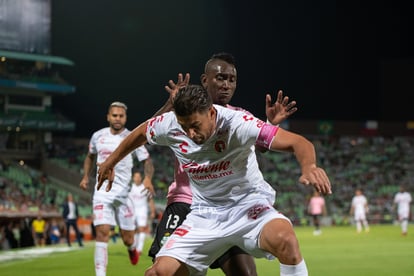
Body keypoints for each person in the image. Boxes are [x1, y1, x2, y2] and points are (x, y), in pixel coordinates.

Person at [97, 84, 332, 276]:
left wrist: (309, 166)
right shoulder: (169, 124)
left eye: (195, 126)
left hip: (247, 207)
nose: (190, 133)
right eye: (184, 126)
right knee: (157, 273)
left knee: (286, 239)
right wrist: (110, 162)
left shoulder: (237, 123)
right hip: (203, 214)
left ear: (211, 113)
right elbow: (139, 133)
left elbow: (298, 142)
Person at [149, 52, 297, 276]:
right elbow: (148, 130)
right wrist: (171, 105)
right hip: (185, 201)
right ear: (205, 80)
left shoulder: (238, 116)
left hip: (227, 208)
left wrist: (269, 124)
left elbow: (261, 147)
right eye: (221, 79)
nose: (226, 85)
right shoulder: (184, 114)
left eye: (231, 80)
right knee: (165, 272)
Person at [79, 101, 154, 276]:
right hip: (102, 192)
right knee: (102, 232)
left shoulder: (133, 137)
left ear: (125, 118)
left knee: (127, 238)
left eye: (121, 115)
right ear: (108, 117)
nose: (118, 118)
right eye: (114, 115)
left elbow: (147, 161)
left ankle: (132, 247)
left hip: (124, 194)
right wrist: (85, 176)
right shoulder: (98, 136)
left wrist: (148, 178)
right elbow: (90, 157)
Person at [129, 170, 156, 257]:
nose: (137, 178)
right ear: (133, 178)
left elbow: (150, 199)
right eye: (135, 177)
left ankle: (139, 249)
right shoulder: (130, 188)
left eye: (138, 177)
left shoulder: (144, 187)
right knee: (135, 230)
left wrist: (152, 211)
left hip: (142, 210)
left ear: (141, 178)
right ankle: (135, 247)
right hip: (132, 211)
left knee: (141, 229)